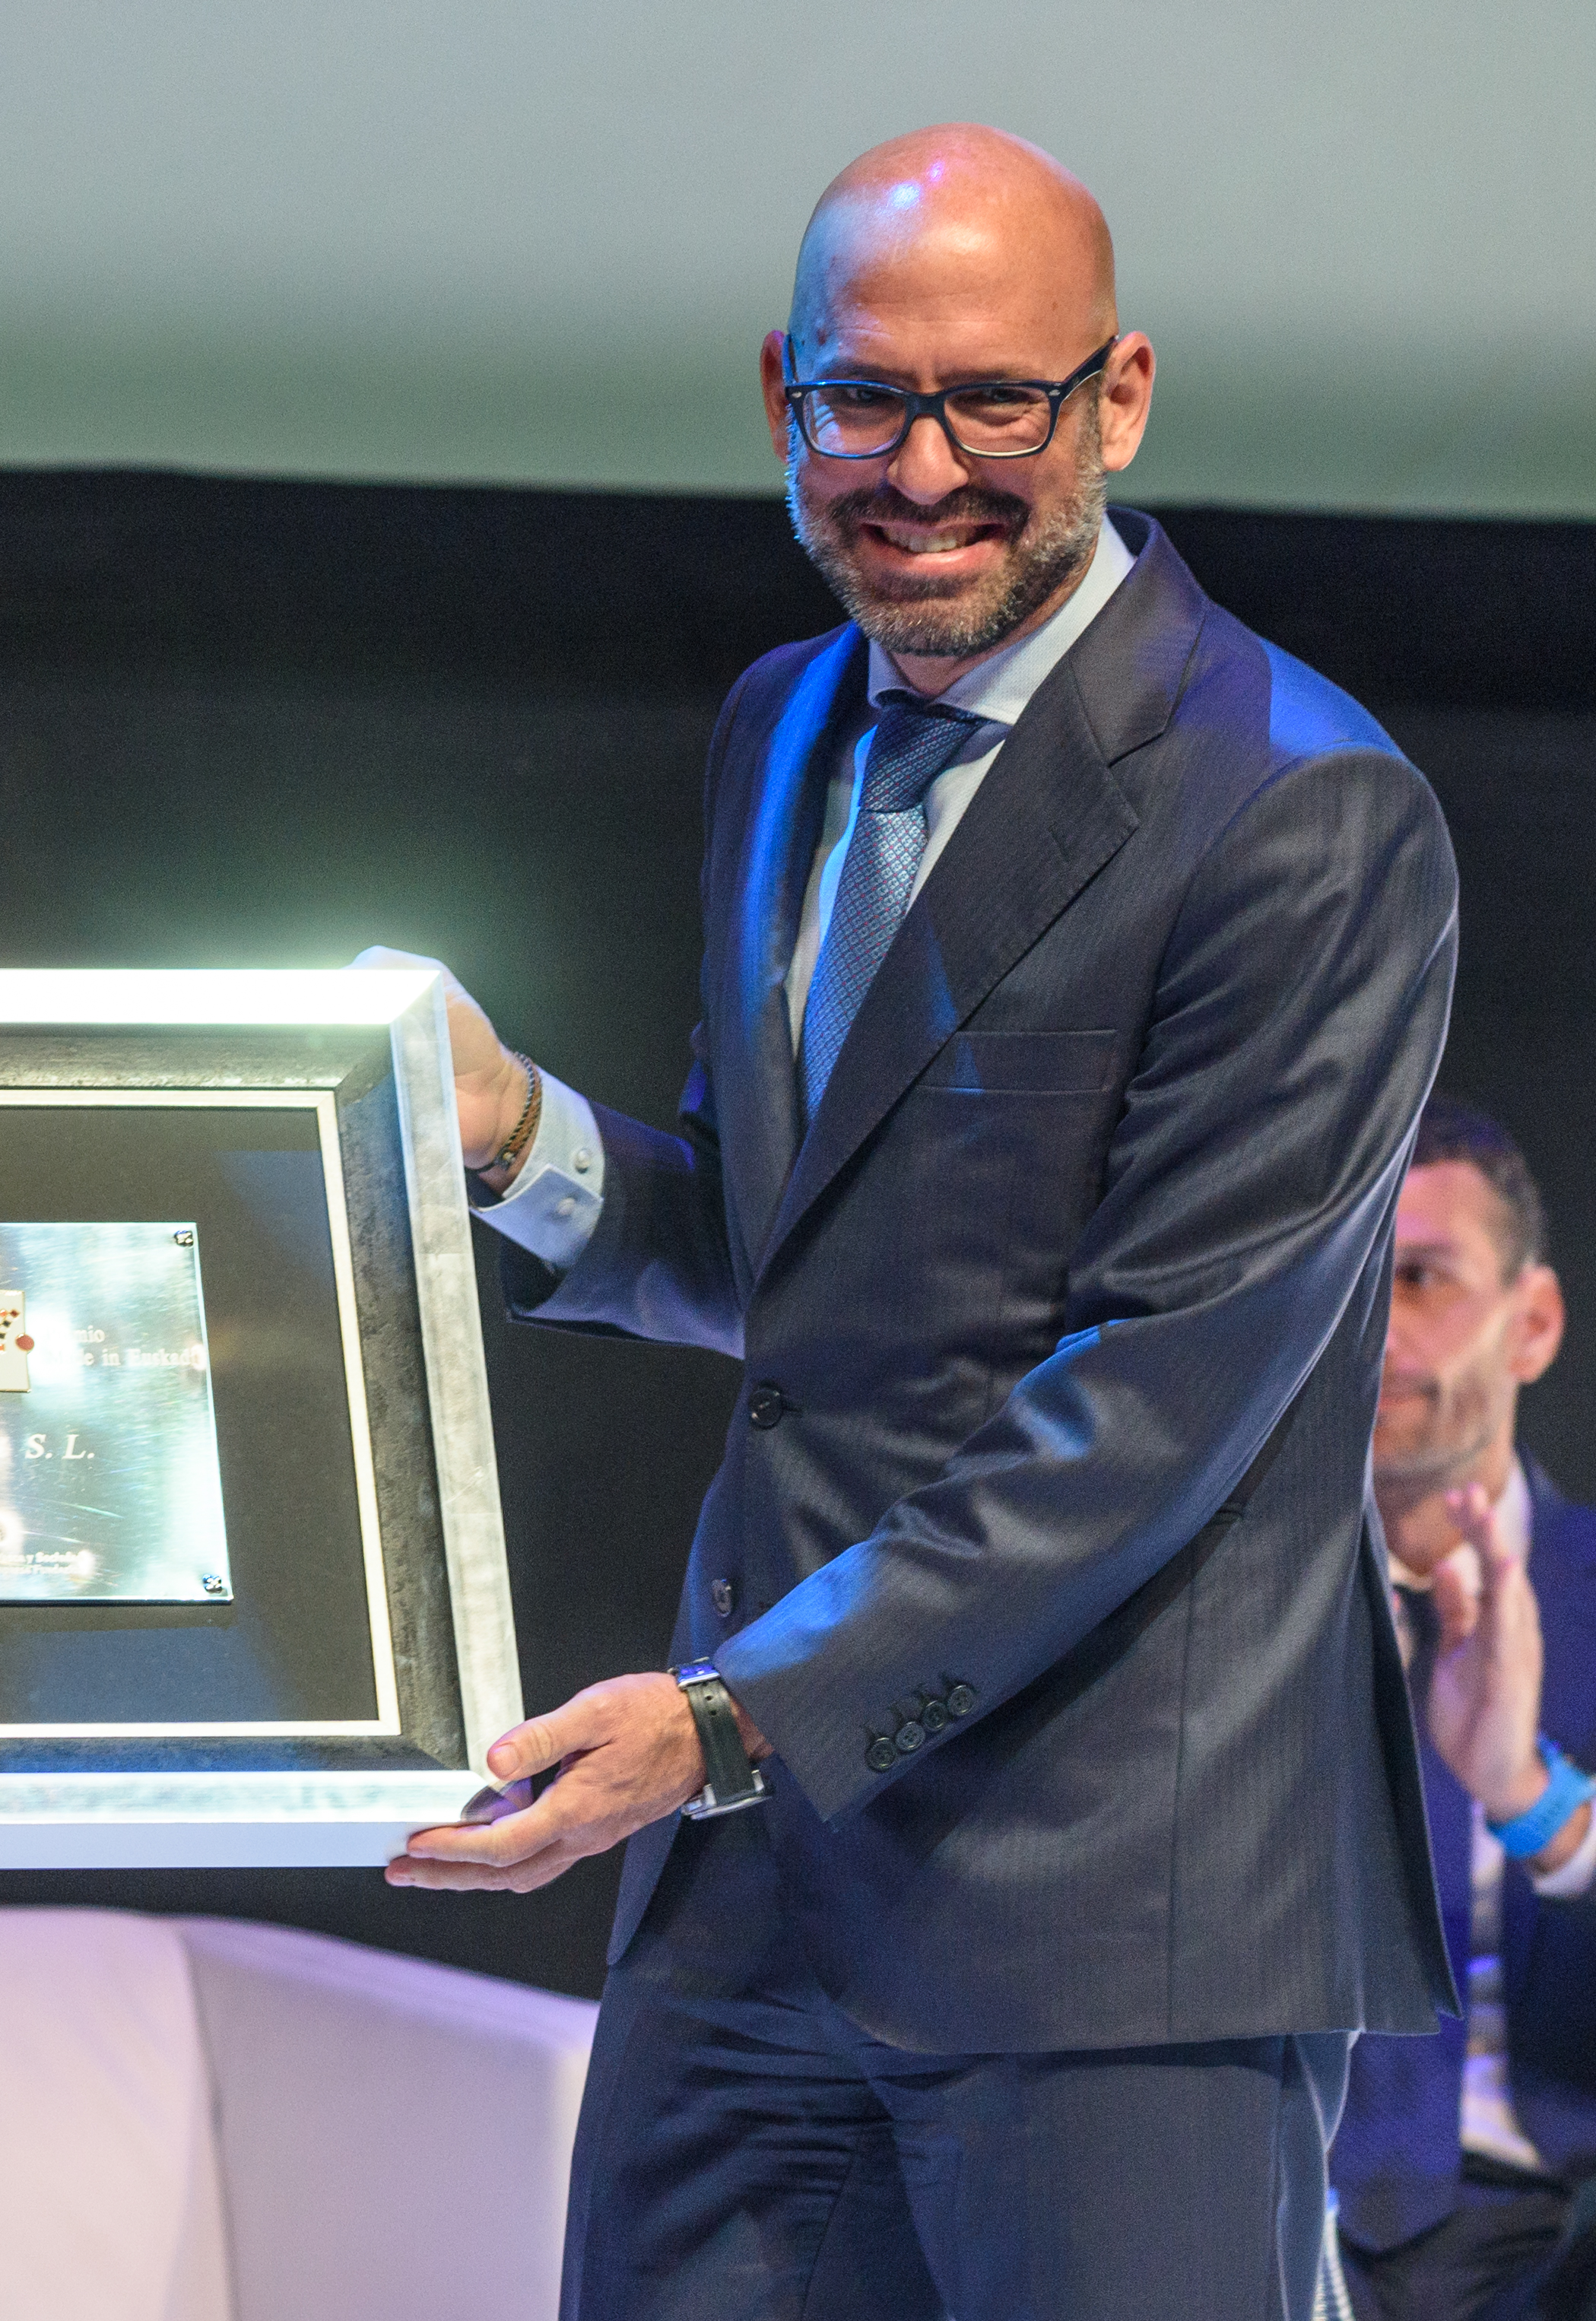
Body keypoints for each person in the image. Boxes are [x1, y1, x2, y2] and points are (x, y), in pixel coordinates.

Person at [373, 125, 1459, 2318]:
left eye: (995, 402)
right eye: (863, 398)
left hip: (1109, 1921)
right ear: (779, 387)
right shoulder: (784, 724)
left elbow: (1151, 1404)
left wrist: (729, 1712)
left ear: (1115, 398)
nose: (921, 467)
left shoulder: (1299, 806)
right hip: (758, 1893)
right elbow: (803, 1271)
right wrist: (507, 1136)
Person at [1334, 1100, 1596, 2320]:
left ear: (1533, 1323)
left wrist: (1529, 1795)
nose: (1374, 1330)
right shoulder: (1223, 1621)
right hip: (1255, 2197)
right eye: (1345, 1282)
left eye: (1424, 1279)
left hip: (1544, 2232)